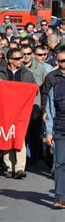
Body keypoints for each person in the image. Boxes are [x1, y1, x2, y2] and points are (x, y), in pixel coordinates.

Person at [0, 48, 36, 179]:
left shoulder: (27, 74)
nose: (21, 60)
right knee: (7, 137)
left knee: (19, 137)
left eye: (22, 57)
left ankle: (19, 168)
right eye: (18, 58)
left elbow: (34, 91)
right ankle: (9, 166)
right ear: (10, 60)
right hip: (4, 110)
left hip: (21, 110)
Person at [45, 76, 65, 209]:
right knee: (60, 163)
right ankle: (59, 198)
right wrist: (49, 132)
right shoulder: (57, 88)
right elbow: (50, 111)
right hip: (60, 131)